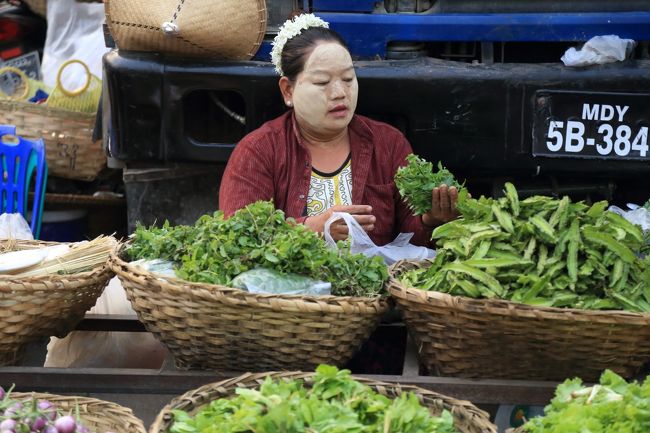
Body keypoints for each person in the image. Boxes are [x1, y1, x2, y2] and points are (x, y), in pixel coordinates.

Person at [219, 14, 459, 246]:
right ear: (288, 91)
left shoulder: (389, 143)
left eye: (348, 79)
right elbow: (238, 235)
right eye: (322, 82)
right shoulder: (258, 150)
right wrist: (312, 229)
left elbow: (409, 236)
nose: (339, 93)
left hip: (377, 284)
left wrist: (431, 221)